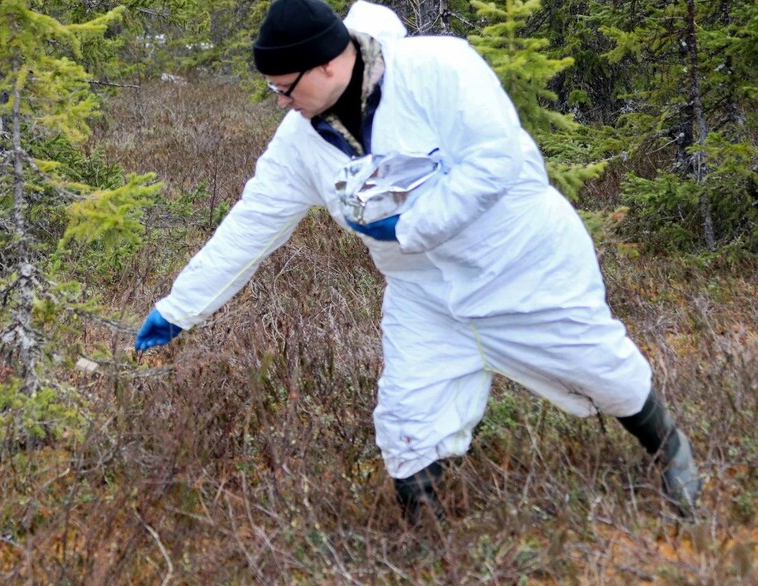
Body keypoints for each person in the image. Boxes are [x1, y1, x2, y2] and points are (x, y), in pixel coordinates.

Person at [134, 0, 702, 522]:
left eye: (285, 87)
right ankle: (426, 544)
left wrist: (409, 226)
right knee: (408, 424)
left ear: (330, 64)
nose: (280, 102)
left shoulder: (438, 67)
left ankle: (670, 450)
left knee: (602, 368)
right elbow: (248, 227)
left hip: (519, 261)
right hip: (422, 294)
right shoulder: (298, 143)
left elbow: (498, 163)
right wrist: (179, 309)